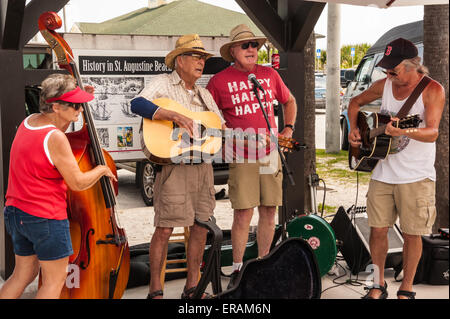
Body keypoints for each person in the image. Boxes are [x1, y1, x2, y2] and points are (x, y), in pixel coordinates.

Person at [0, 74, 116, 299]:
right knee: (54, 282)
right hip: (45, 217)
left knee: (22, 275)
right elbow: (77, 182)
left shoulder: (29, 121)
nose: (80, 110)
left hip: (16, 212)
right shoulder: (56, 138)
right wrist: (102, 169)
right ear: (55, 106)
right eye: (74, 105)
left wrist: (82, 99)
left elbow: (62, 138)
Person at [348, 38, 445, 299]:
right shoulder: (385, 85)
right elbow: (354, 103)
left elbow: (432, 131)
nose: (389, 75)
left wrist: (404, 130)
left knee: (413, 233)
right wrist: (354, 129)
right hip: (383, 171)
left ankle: (406, 288)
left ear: (414, 64)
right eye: (387, 70)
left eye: (394, 70)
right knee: (377, 229)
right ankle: (378, 284)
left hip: (417, 174)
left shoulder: (432, 89)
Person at [130, 34, 225, 299]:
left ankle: (192, 288)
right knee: (164, 228)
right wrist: (175, 116)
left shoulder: (204, 94)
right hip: (173, 166)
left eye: (203, 58)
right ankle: (155, 291)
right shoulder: (162, 83)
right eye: (195, 56)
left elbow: (220, 127)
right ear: (179, 60)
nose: (201, 62)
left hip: (202, 167)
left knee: (201, 226)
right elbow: (136, 103)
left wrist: (253, 137)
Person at [206, 24, 297, 288]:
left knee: (269, 210)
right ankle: (236, 269)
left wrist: (288, 128)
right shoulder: (218, 81)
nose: (251, 50)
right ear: (233, 51)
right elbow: (210, 117)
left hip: (270, 154)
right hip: (242, 156)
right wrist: (225, 132)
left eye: (254, 45)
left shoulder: (268, 74)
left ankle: (264, 263)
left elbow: (289, 101)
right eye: (245, 45)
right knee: (243, 212)